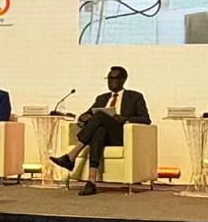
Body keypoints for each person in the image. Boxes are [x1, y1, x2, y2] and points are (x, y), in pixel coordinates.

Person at [49, 66, 151, 196]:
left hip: (120, 135)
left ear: (123, 80)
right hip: (104, 135)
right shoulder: (101, 98)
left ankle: (71, 155)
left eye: (113, 78)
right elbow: (87, 115)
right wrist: (83, 118)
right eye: (108, 78)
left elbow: (146, 119)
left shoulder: (135, 96)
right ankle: (91, 181)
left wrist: (124, 118)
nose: (110, 81)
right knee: (99, 131)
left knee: (100, 116)